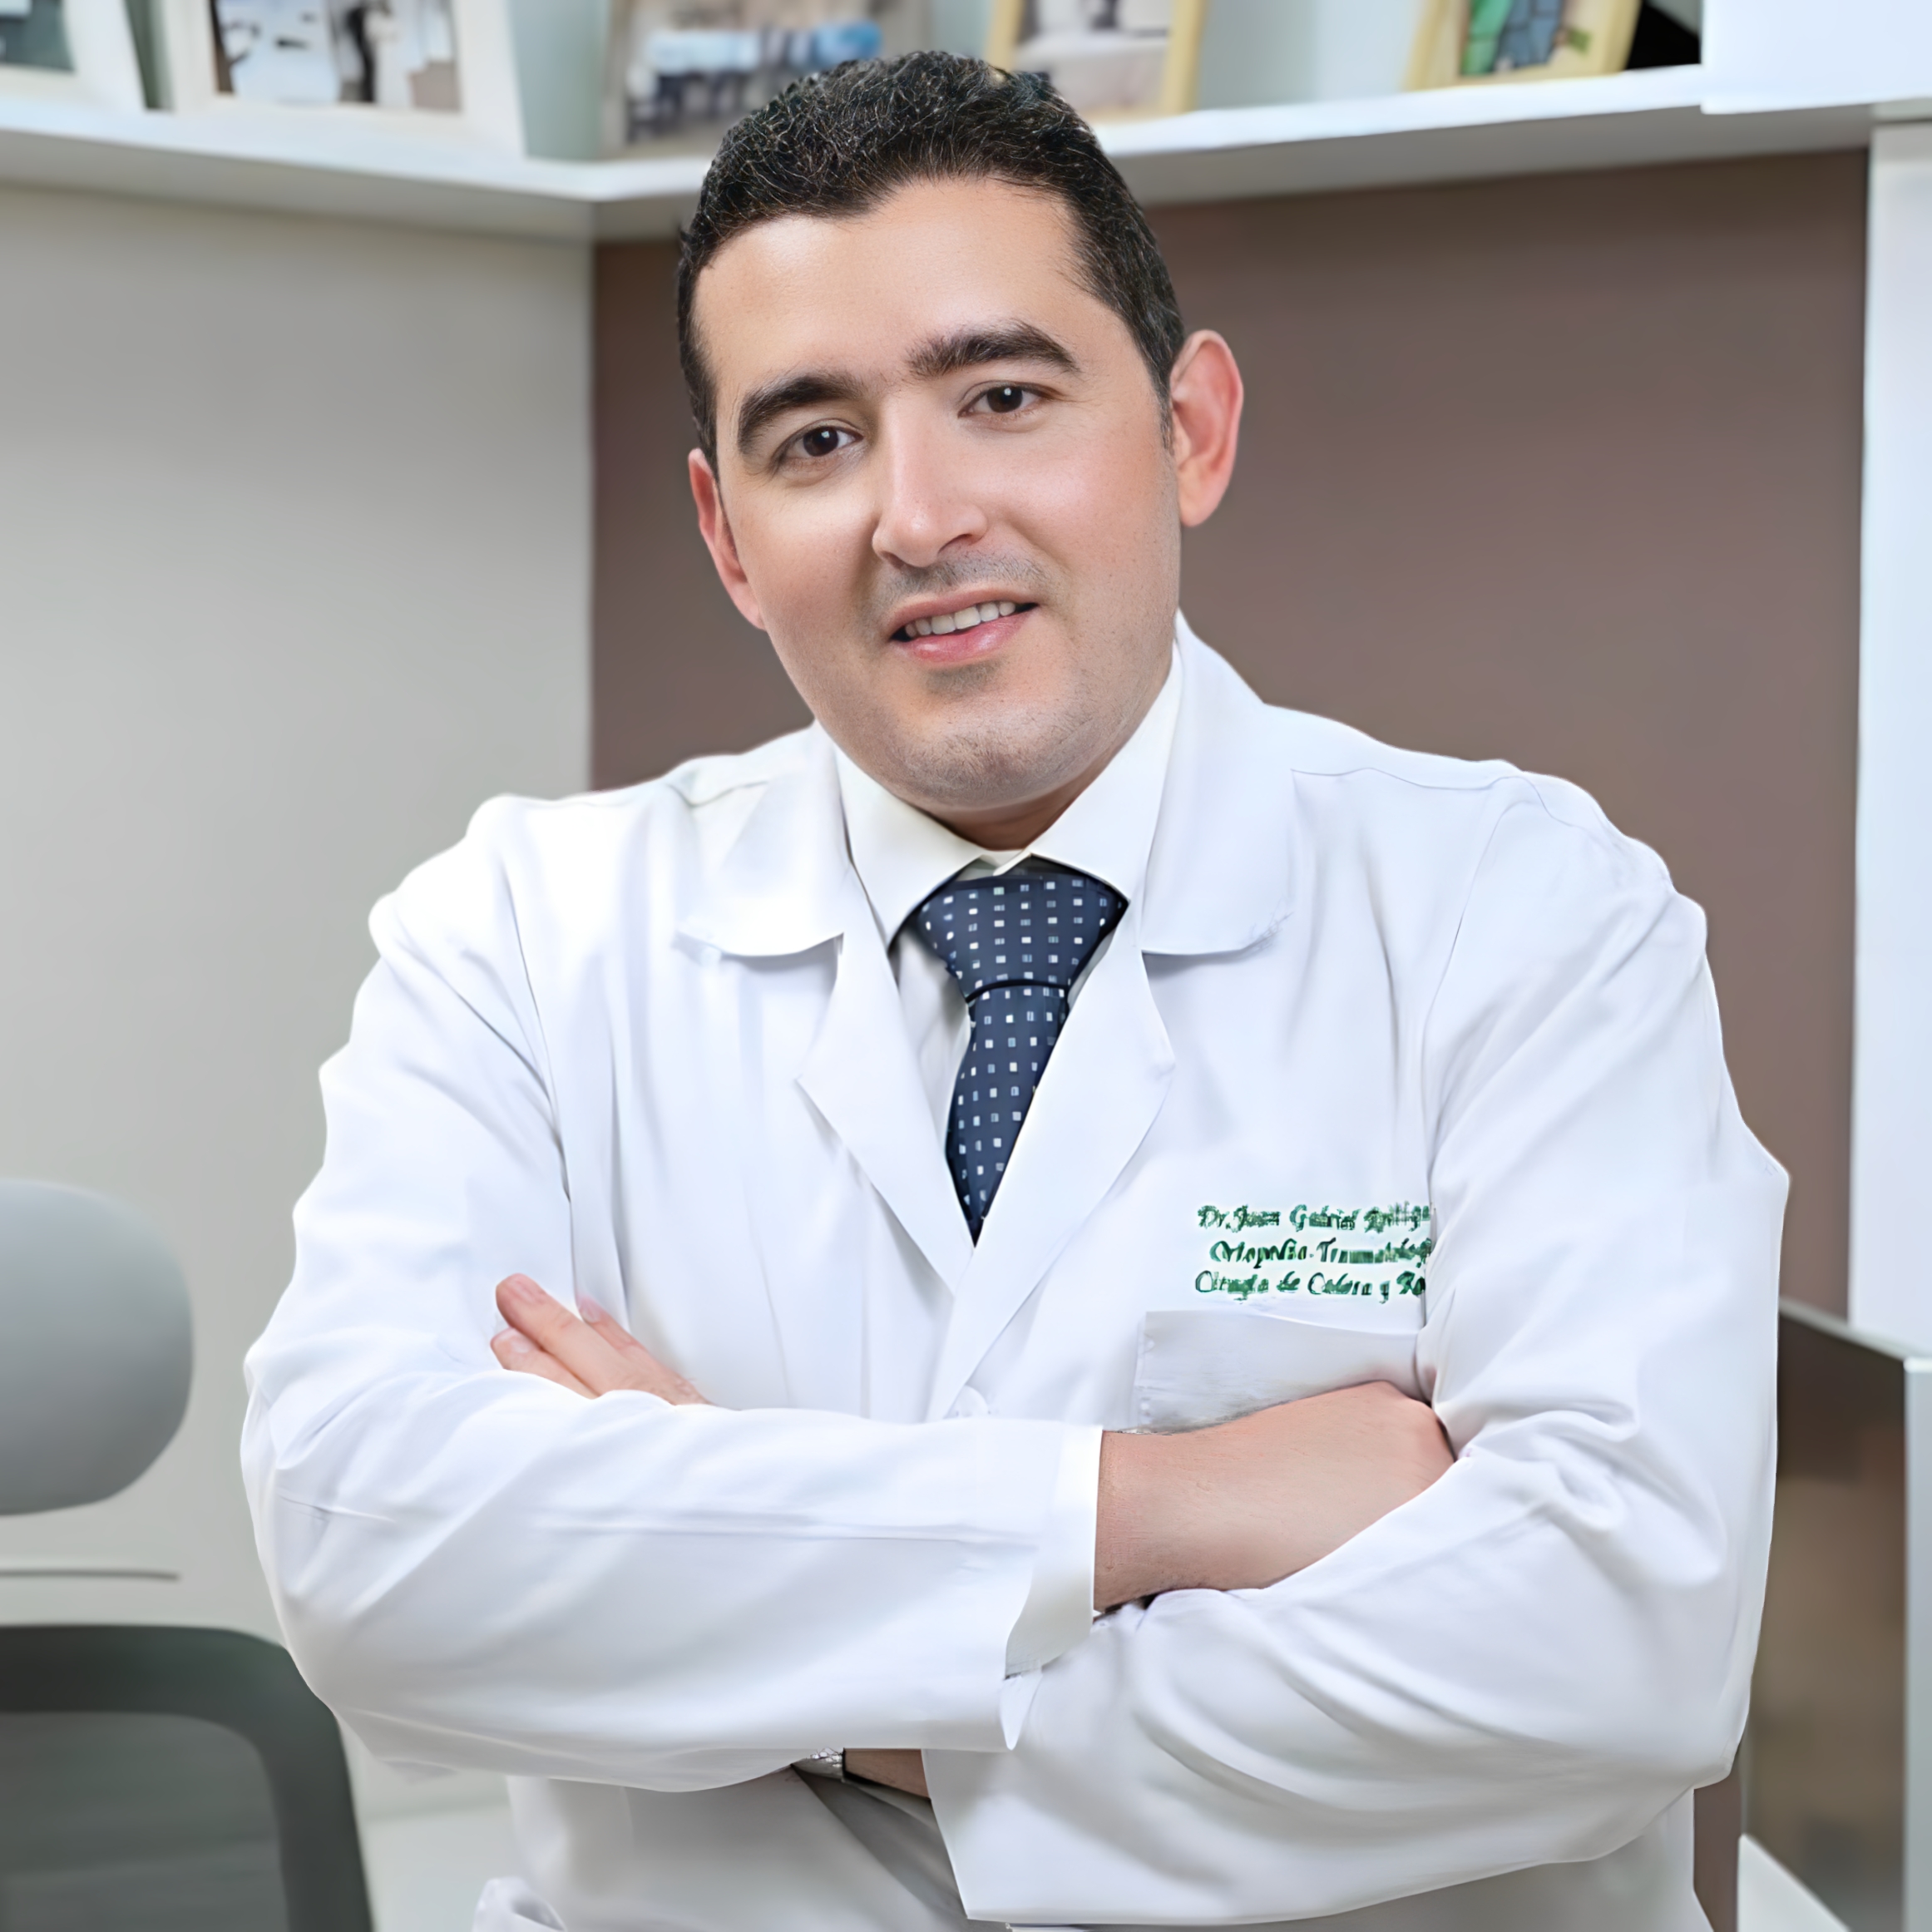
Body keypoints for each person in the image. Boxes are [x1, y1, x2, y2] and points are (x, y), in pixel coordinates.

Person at [241, 52, 1784, 1932]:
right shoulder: (521, 934)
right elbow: (377, 1557)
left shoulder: (1521, 912)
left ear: (1190, 430)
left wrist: (779, 1625)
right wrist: (1154, 1505)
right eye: (817, 440)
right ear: (728, 538)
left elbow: (1618, 1649)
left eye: (1002, 397)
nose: (919, 513)